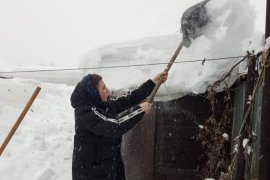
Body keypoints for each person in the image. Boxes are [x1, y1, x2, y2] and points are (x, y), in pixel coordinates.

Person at [70, 72, 168, 180]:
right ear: (93, 93)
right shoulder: (86, 113)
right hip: (91, 174)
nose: (107, 90)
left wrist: (153, 83)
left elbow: (129, 99)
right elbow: (115, 126)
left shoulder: (102, 105)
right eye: (103, 88)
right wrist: (139, 110)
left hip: (109, 169)